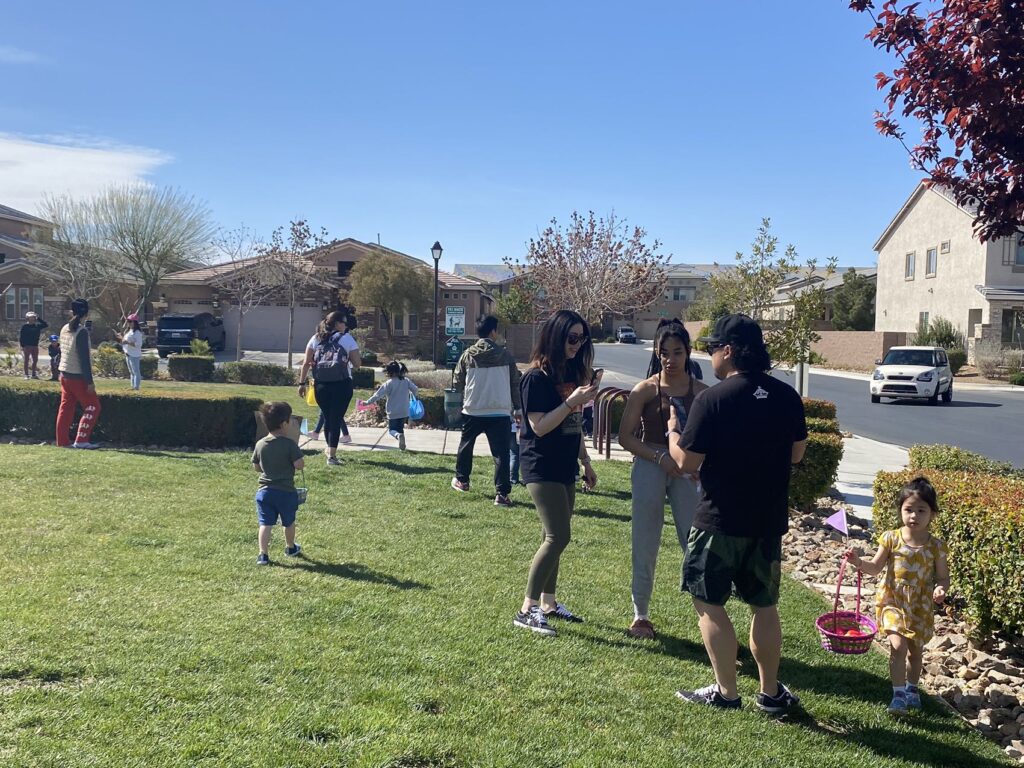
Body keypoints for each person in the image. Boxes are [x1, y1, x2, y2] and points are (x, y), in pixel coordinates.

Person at [667, 313, 807, 713]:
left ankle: (727, 693)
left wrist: (673, 433)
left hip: (719, 522)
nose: (710, 354)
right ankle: (770, 693)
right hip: (766, 524)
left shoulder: (711, 400)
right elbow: (797, 453)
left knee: (708, 602)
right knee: (764, 606)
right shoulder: (786, 396)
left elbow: (688, 463)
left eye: (713, 347)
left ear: (728, 352)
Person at [618, 319, 708, 639]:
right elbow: (625, 438)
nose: (671, 359)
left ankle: (708, 615)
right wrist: (659, 458)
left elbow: (712, 439)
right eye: (664, 352)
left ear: (688, 352)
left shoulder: (702, 393)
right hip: (650, 464)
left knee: (695, 540)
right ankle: (640, 615)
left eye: (678, 352)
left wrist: (697, 464)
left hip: (688, 470)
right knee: (645, 538)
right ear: (657, 353)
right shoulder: (645, 390)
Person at [513, 309, 600, 636]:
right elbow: (539, 426)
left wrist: (586, 461)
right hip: (540, 464)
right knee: (558, 536)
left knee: (554, 537)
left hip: (565, 464)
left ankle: (549, 603)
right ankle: (527, 609)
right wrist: (569, 402)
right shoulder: (535, 378)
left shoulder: (571, 375)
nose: (577, 344)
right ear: (555, 336)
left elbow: (573, 425)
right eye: (571, 338)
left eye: (582, 338)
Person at [845, 476, 949, 715]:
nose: (914, 515)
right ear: (900, 510)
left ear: (932, 514)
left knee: (915, 651)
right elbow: (875, 567)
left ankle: (913, 689)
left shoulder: (936, 547)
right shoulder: (891, 538)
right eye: (908, 509)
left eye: (921, 510)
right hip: (892, 601)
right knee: (898, 646)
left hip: (920, 605)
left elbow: (943, 577)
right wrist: (858, 561)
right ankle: (898, 694)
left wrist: (941, 588)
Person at [450, 315, 523, 508]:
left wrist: (461, 400)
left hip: (473, 408)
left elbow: (457, 381)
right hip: (499, 410)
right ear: (493, 331)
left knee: (466, 446)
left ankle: (462, 480)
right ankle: (502, 494)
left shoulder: (468, 354)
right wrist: (517, 407)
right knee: (501, 454)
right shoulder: (506, 356)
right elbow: (515, 383)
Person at [297, 311, 360, 466]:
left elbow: (306, 363)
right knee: (336, 418)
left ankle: (329, 450)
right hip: (342, 383)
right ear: (337, 323)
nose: (345, 326)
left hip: (321, 384)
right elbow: (357, 364)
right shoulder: (347, 338)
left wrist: (301, 383)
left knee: (327, 417)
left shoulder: (316, 338)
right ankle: (331, 455)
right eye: (344, 322)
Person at [252, 401, 305, 566]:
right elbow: (299, 464)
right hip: (285, 492)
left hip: (264, 493)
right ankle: (290, 547)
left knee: (265, 523)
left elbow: (256, 467)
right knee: (288, 522)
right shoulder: (290, 444)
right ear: (284, 424)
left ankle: (263, 554)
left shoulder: (260, 444)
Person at [56, 299, 102, 449]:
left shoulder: (64, 328)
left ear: (72, 311)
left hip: (64, 375)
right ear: (86, 313)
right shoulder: (81, 332)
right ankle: (81, 440)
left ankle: (62, 441)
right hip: (77, 377)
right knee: (93, 406)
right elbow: (84, 360)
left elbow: (63, 352)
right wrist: (89, 382)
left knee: (65, 408)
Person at [362, 360, 418, 450]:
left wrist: (367, 402)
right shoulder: (406, 381)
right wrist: (412, 397)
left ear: (389, 372)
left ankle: (398, 436)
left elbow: (378, 395)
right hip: (404, 411)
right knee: (400, 428)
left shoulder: (389, 383)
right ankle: (402, 445)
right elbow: (415, 389)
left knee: (392, 430)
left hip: (393, 411)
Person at [115, 314, 145, 390]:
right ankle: (132, 387)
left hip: (134, 355)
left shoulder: (137, 333)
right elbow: (125, 341)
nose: (128, 323)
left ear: (135, 322)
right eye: (128, 321)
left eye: (130, 321)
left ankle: (136, 387)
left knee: (136, 372)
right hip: (128, 354)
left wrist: (127, 342)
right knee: (131, 372)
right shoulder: (129, 331)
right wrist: (120, 338)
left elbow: (139, 344)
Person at [19, 310, 49, 379]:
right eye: (30, 317)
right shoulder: (25, 327)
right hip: (27, 346)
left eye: (33, 317)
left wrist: (38, 318)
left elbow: (46, 324)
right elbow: (22, 337)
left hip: (35, 345)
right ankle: (26, 375)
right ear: (27, 318)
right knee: (26, 360)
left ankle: (33, 375)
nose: (32, 319)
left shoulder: (37, 326)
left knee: (35, 360)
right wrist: (22, 346)